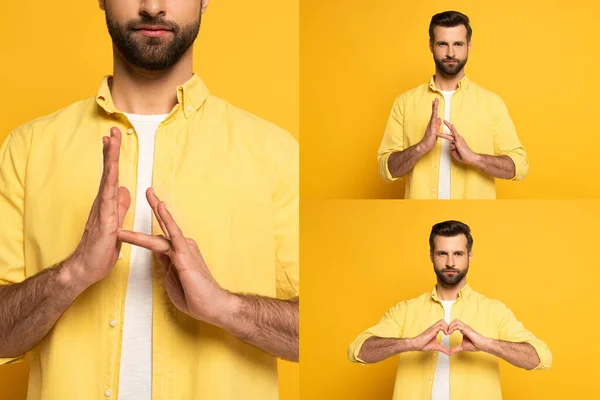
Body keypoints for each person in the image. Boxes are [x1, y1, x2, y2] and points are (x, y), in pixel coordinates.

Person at [0, 1, 298, 399]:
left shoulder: (274, 153)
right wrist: (71, 274)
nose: (153, 7)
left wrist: (225, 307)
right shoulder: (27, 149)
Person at [347, 220, 551, 400]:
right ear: (431, 256)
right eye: (442, 253)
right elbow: (357, 351)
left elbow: (541, 357)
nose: (451, 262)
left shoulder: (494, 310)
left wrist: (487, 343)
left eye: (458, 254)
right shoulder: (406, 310)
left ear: (469, 256)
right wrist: (409, 343)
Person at [377, 11, 528, 199]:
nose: (450, 53)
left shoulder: (492, 103)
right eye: (442, 44)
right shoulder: (405, 102)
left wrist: (474, 158)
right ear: (431, 46)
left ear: (469, 46)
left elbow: (519, 166)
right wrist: (421, 147)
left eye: (458, 44)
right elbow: (385, 170)